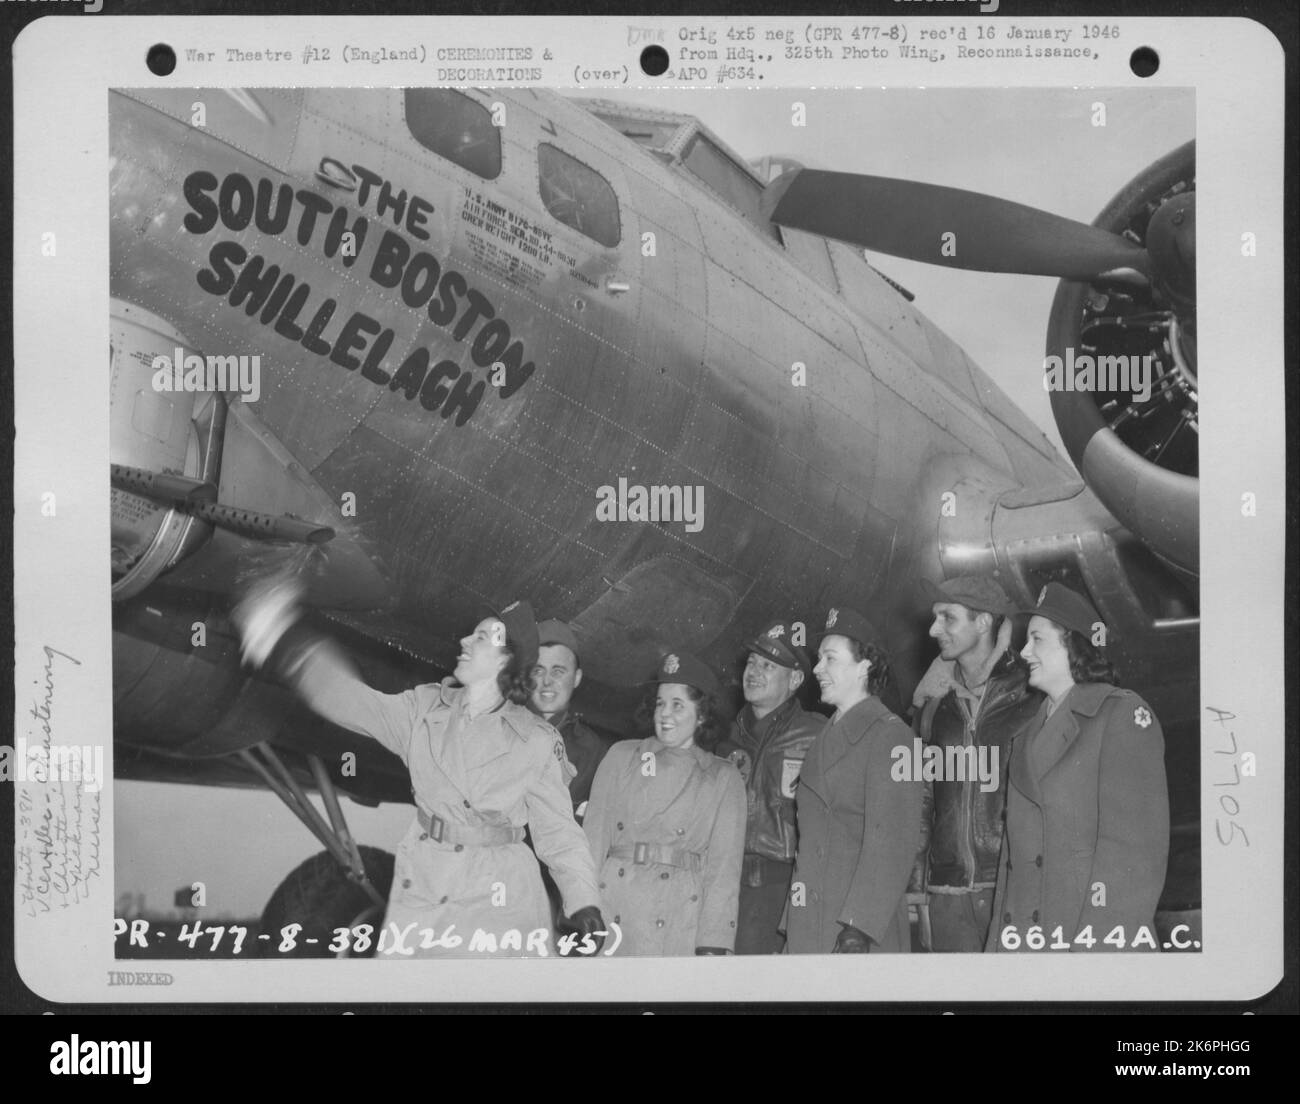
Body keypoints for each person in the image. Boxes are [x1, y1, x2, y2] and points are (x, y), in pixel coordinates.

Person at [233, 578, 605, 959]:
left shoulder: (536, 740)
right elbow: (354, 702)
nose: (465, 641)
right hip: (427, 881)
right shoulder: (423, 711)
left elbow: (559, 834)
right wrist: (283, 642)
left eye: (480, 638)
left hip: (500, 892)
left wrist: (583, 902)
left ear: (505, 659)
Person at [987, 583, 1169, 953]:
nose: (1024, 652)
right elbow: (1012, 867)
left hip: (1090, 948)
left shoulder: (1120, 716)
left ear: (1072, 644)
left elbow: (1132, 860)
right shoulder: (1024, 737)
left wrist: (1093, 966)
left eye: (1037, 639)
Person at [583, 651, 746, 956]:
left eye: (677, 705)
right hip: (614, 909)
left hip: (678, 919)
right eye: (660, 703)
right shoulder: (621, 757)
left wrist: (714, 942)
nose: (664, 714)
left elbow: (723, 872)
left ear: (702, 715)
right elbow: (593, 841)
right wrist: (582, 906)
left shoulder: (723, 778)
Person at [911, 576, 1041, 952]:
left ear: (983, 622)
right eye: (935, 618)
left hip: (1013, 886)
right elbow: (921, 799)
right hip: (947, 894)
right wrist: (917, 889)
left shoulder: (1032, 694)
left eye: (948, 618)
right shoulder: (932, 705)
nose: (934, 629)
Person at [784, 608, 922, 953]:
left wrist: (858, 928)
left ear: (864, 667)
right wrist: (790, 925)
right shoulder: (823, 737)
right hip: (811, 921)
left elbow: (892, 844)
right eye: (819, 659)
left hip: (859, 929)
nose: (817, 669)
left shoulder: (893, 737)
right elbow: (809, 845)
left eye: (830, 658)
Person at [713, 620, 823, 954]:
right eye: (752, 662)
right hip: (727, 882)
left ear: (795, 680)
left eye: (768, 665)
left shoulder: (817, 735)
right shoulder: (725, 738)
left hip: (783, 887)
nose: (754, 672)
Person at [529, 619, 611, 822]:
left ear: (576, 678)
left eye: (558, 672)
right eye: (538, 671)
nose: (547, 681)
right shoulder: (503, 729)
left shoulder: (593, 752)